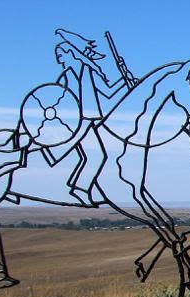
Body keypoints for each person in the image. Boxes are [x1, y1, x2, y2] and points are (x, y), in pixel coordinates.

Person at [41, 29, 128, 205]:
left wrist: (125, 79)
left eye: (61, 54)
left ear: (70, 53)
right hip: (79, 122)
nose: (59, 59)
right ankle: (79, 188)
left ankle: (80, 189)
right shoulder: (67, 76)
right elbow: (60, 100)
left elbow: (108, 94)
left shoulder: (86, 71)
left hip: (87, 121)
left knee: (96, 156)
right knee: (93, 156)